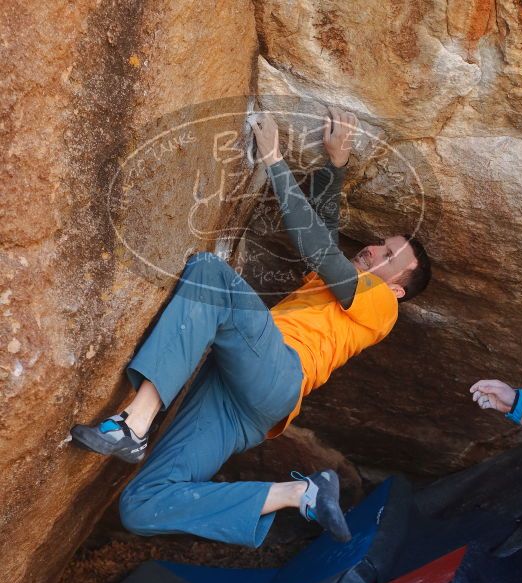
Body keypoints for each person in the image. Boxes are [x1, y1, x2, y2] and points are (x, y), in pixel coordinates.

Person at [71, 109, 432, 548]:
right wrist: (334, 166)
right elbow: (322, 229)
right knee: (141, 505)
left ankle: (134, 424)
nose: (374, 248)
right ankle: (296, 493)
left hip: (278, 373)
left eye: (389, 255)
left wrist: (274, 160)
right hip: (242, 403)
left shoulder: (383, 306)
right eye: (380, 243)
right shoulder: (340, 286)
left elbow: (318, 247)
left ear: (397, 288)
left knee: (210, 273)